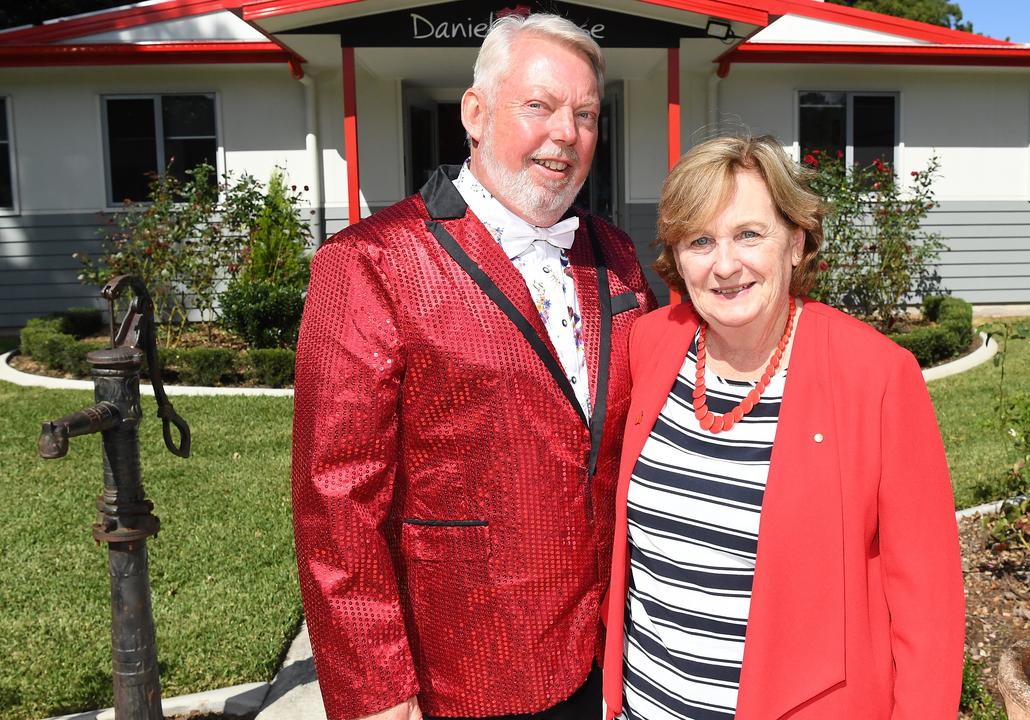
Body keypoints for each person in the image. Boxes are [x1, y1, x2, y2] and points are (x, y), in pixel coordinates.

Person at [292, 13, 656, 720]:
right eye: (540, 106)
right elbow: (335, 500)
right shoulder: (370, 262)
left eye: (585, 114)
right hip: (460, 675)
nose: (566, 134)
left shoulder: (614, 255)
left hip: (608, 659)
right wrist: (375, 690)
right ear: (476, 113)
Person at [600, 135, 964, 719]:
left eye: (749, 234)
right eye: (700, 240)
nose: (724, 265)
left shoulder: (875, 375)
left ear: (796, 242)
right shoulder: (653, 342)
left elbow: (929, 602)